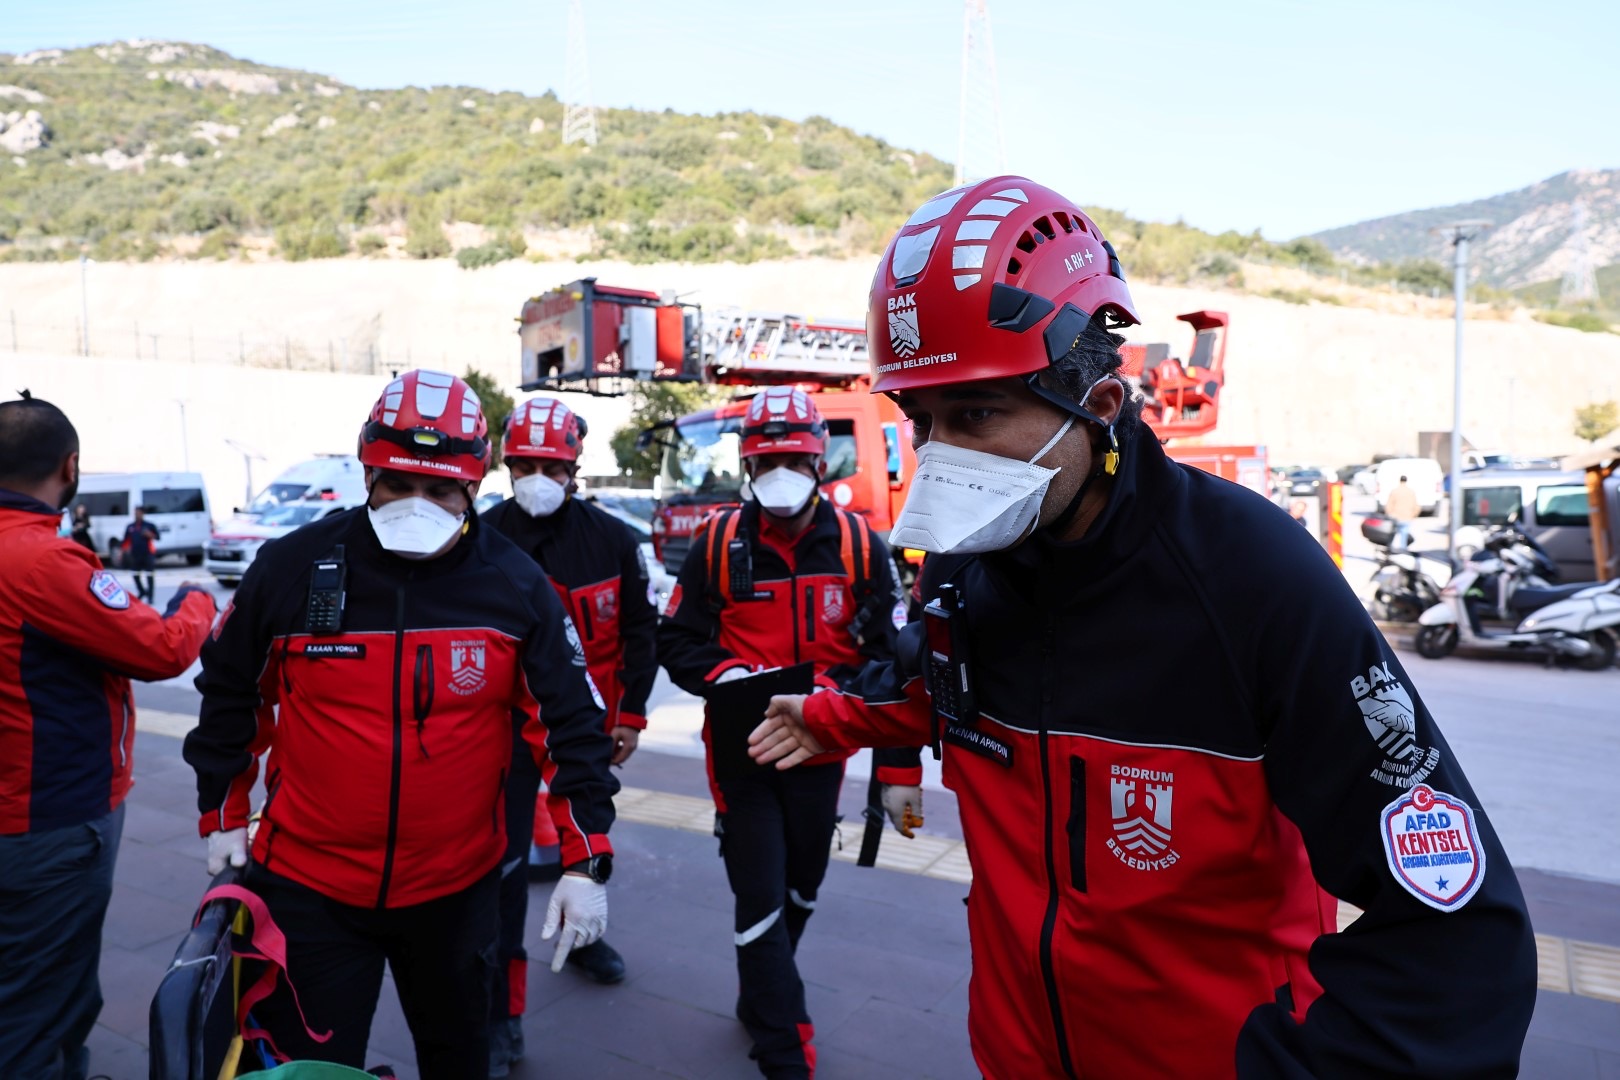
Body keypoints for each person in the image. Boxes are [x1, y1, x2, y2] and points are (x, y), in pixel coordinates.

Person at [748, 176, 1537, 1078]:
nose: (941, 457)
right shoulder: (966, 573)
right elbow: (943, 697)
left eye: (976, 414)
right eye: (923, 420)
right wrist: (832, 721)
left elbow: (1458, 930)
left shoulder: (1251, 577)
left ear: (1102, 407)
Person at [183, 370, 618, 1079]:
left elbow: (572, 728)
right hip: (309, 888)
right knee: (309, 1072)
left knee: (458, 1062)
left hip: (455, 892)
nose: (418, 506)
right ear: (367, 472)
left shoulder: (515, 588)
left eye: (441, 490)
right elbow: (230, 691)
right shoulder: (292, 568)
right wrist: (224, 813)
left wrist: (584, 858)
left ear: (475, 485)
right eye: (397, 484)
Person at [659, 386, 920, 1079]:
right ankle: (785, 1044)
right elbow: (677, 641)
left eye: (797, 460)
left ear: (820, 461)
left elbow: (896, 663)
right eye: (768, 460)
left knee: (802, 889)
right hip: (741, 751)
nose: (783, 474)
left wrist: (897, 773)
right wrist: (734, 672)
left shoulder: (862, 545)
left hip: (822, 745)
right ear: (746, 463)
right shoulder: (716, 542)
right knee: (759, 893)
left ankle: (763, 991)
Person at [0, 391, 216, 1080]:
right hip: (46, 822)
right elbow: (159, 651)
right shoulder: (41, 561)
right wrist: (199, 601)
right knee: (43, 1004)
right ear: (70, 468)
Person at [479, 397, 657, 1073]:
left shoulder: (613, 541)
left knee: (589, 846)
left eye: (550, 465)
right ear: (505, 465)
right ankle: (503, 1015)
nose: (536, 477)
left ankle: (582, 941)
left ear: (575, 468)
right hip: (501, 734)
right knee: (501, 874)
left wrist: (631, 716)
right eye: (523, 464)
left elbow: (641, 633)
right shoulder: (483, 538)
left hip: (584, 732)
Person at [121, 505, 160, 603]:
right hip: (135, 554)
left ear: (143, 514)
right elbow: (126, 541)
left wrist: (150, 535)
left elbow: (158, 537)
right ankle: (142, 591)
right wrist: (122, 552)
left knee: (150, 575)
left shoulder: (149, 525)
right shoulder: (131, 526)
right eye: (135, 513)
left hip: (148, 553)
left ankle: (150, 596)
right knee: (135, 574)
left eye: (139, 513)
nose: (136, 515)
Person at [1385, 474, 1421, 549]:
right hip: (1407, 517)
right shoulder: (1411, 492)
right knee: (1404, 535)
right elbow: (1416, 505)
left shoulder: (1395, 491)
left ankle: (1389, 548)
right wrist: (1414, 515)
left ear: (1400, 480)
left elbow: (1389, 505)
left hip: (1395, 517)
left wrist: (1389, 514)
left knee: (1392, 533)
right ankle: (1403, 550)